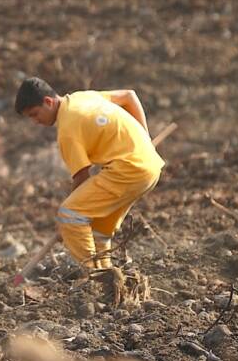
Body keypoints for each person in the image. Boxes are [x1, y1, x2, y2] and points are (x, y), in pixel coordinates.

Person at [15, 77, 164, 273]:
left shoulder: (67, 130)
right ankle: (108, 280)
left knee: (70, 214)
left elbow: (81, 177)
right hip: (149, 165)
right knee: (98, 232)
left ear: (49, 102)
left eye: (35, 114)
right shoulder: (83, 97)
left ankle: (93, 280)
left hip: (127, 170)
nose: (35, 121)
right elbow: (129, 96)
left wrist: (67, 221)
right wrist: (146, 140)